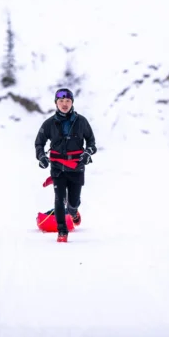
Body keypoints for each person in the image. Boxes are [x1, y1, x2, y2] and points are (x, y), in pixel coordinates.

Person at [35, 88, 97, 242]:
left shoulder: (81, 121)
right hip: (57, 168)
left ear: (72, 103)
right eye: (61, 101)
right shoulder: (49, 123)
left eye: (67, 101)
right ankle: (62, 231)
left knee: (73, 202)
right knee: (59, 198)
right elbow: (39, 143)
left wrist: (87, 153)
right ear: (56, 103)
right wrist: (41, 156)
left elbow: (92, 142)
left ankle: (74, 211)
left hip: (77, 167)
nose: (64, 104)